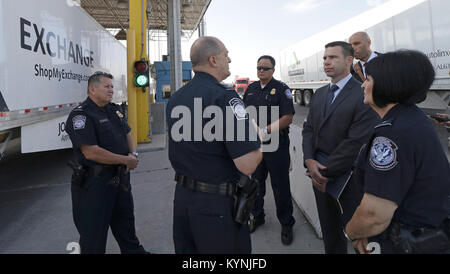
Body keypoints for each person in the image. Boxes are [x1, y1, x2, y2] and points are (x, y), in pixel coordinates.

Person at [344, 50, 450, 254]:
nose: (363, 85)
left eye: (369, 79)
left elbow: (373, 215)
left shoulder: (392, 134)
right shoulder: (413, 118)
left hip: (403, 242)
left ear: (387, 84)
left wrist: (351, 233)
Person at [166, 36, 262, 254]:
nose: (230, 59)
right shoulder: (224, 97)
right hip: (215, 207)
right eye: (225, 54)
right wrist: (257, 138)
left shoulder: (176, 98)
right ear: (213, 60)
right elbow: (247, 164)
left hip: (182, 201)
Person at [302, 41, 379, 254]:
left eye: (333, 57)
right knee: (330, 233)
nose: (327, 62)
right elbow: (308, 130)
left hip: (348, 179)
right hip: (318, 174)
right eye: (325, 58)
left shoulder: (362, 93)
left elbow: (356, 142)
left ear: (348, 60)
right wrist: (309, 160)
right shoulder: (319, 94)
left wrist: (324, 172)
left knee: (360, 237)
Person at [66, 71, 147, 254]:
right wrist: (126, 160)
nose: (111, 90)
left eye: (112, 86)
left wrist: (132, 153)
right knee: (93, 236)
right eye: (106, 86)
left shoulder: (113, 110)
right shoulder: (81, 116)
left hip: (120, 180)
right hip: (95, 185)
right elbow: (91, 152)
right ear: (92, 89)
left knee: (126, 227)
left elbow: (126, 132)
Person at [243, 55, 296, 245]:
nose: (261, 71)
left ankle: (287, 223)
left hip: (276, 145)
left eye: (265, 68)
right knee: (256, 183)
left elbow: (288, 117)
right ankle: (257, 216)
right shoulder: (251, 89)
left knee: (280, 186)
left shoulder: (281, 89)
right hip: (255, 146)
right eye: (258, 67)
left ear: (273, 70)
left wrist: (265, 130)